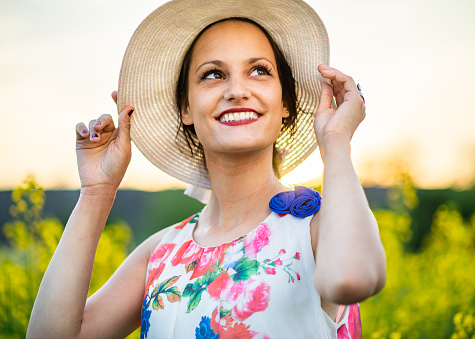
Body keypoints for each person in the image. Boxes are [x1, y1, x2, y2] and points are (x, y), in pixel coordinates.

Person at [27, 0, 386, 338]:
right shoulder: (162, 253)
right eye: (213, 74)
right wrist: (96, 192)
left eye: (259, 70)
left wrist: (336, 141)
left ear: (285, 104)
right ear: (186, 108)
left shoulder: (315, 228)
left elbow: (357, 277)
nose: (236, 90)